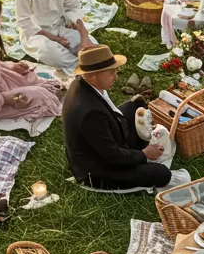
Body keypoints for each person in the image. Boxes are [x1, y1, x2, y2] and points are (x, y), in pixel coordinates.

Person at [62, 44, 173, 191]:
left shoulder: (84, 83)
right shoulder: (90, 113)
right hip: (98, 170)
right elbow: (112, 156)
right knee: (162, 174)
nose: (116, 76)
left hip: (103, 145)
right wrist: (144, 154)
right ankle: (140, 151)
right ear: (92, 76)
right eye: (111, 72)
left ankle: (136, 148)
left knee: (134, 106)